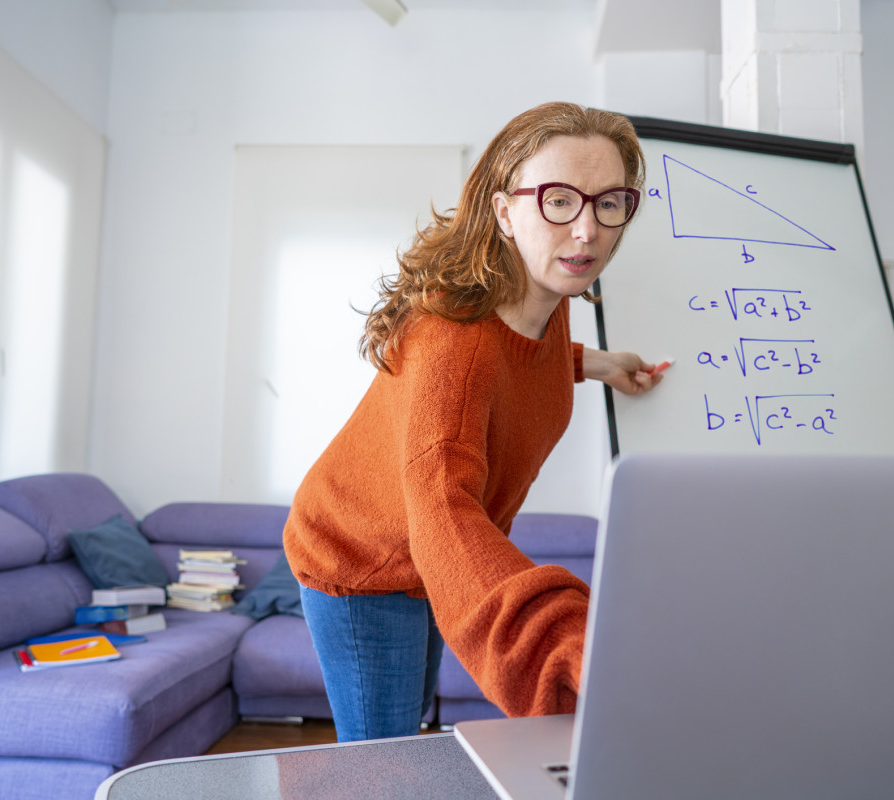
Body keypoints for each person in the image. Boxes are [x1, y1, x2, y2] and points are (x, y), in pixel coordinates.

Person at [282, 101, 662, 743]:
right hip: (364, 559)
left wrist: (598, 365)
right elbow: (444, 507)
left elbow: (520, 365)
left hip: (424, 550)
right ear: (504, 209)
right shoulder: (453, 348)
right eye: (559, 200)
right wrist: (574, 645)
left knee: (410, 733)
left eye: (609, 203)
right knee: (386, 763)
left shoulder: (544, 296)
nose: (586, 231)